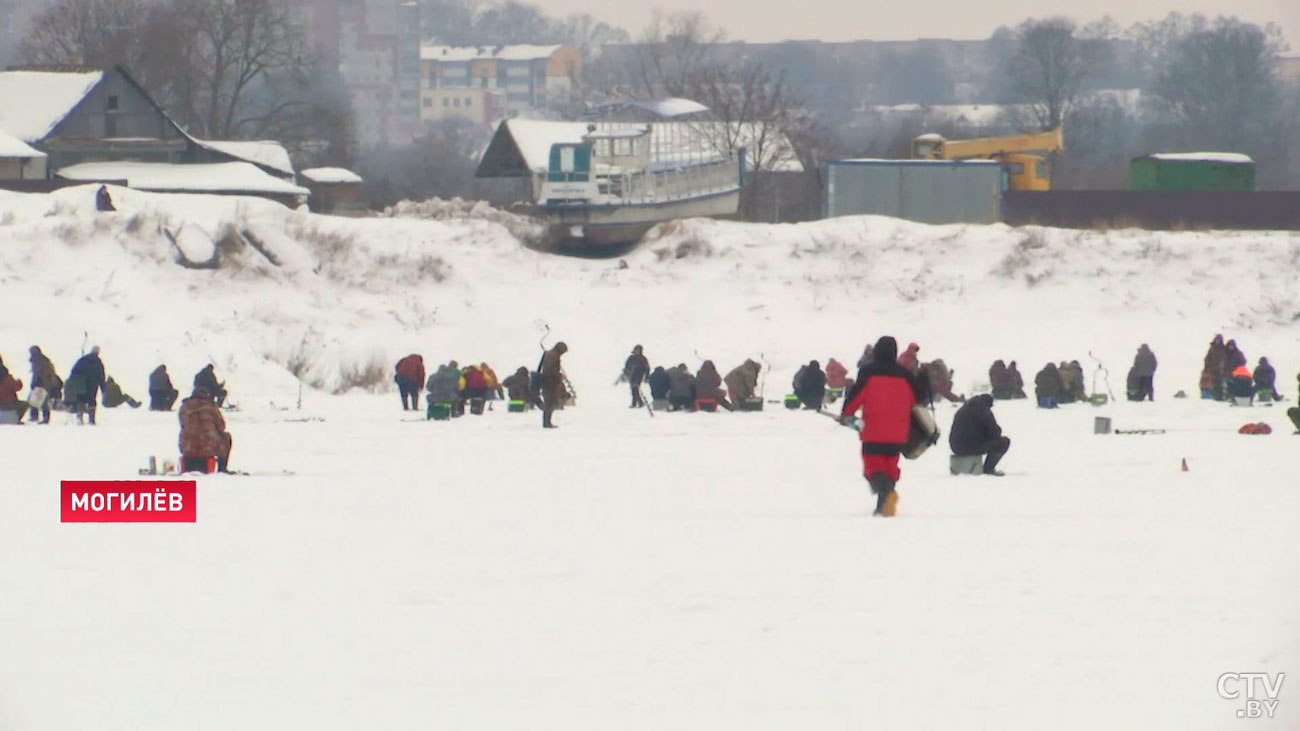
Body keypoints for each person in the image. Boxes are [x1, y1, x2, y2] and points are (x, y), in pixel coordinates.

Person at [840, 336, 927, 517]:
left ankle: (887, 494)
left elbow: (856, 396)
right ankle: (883, 507)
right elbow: (917, 400)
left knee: (873, 467)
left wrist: (847, 414)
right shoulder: (905, 375)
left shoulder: (868, 372)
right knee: (890, 467)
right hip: (898, 433)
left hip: (874, 430)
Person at [949, 394, 1011, 476]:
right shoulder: (984, 411)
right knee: (1003, 442)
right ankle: (988, 469)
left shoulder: (962, 410)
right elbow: (995, 432)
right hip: (971, 446)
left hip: (955, 447)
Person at [179, 387, 233, 473]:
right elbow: (221, 426)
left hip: (188, 448)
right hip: (208, 448)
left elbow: (182, 424)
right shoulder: (211, 406)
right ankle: (222, 468)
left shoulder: (184, 407)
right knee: (226, 437)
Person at [67, 346, 107, 425]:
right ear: (98, 353)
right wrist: (103, 388)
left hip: (82, 384)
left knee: (81, 400)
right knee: (92, 401)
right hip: (93, 385)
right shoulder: (98, 362)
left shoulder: (82, 360)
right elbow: (101, 377)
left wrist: (73, 382)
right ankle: (91, 420)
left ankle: (80, 417)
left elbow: (74, 371)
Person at [28, 346, 61, 424]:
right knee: (41, 400)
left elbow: (36, 373)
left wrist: (33, 383)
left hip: (41, 383)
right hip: (48, 382)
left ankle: (37, 417)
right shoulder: (44, 360)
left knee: (36, 400)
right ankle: (42, 417)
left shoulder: (37, 360)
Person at [540, 342, 568, 428]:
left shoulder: (550, 354)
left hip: (548, 382)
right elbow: (550, 370)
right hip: (550, 382)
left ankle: (547, 422)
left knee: (549, 402)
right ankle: (547, 423)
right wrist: (560, 376)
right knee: (549, 403)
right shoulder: (553, 356)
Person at [1204, 335, 1228, 400]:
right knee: (1213, 383)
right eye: (1217, 340)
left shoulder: (1223, 348)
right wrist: (1206, 367)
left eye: (1219, 340)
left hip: (1220, 369)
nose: (1218, 341)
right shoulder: (1212, 348)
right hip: (1212, 369)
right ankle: (1214, 396)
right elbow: (1207, 358)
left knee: (1220, 384)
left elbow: (1225, 358)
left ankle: (1220, 396)